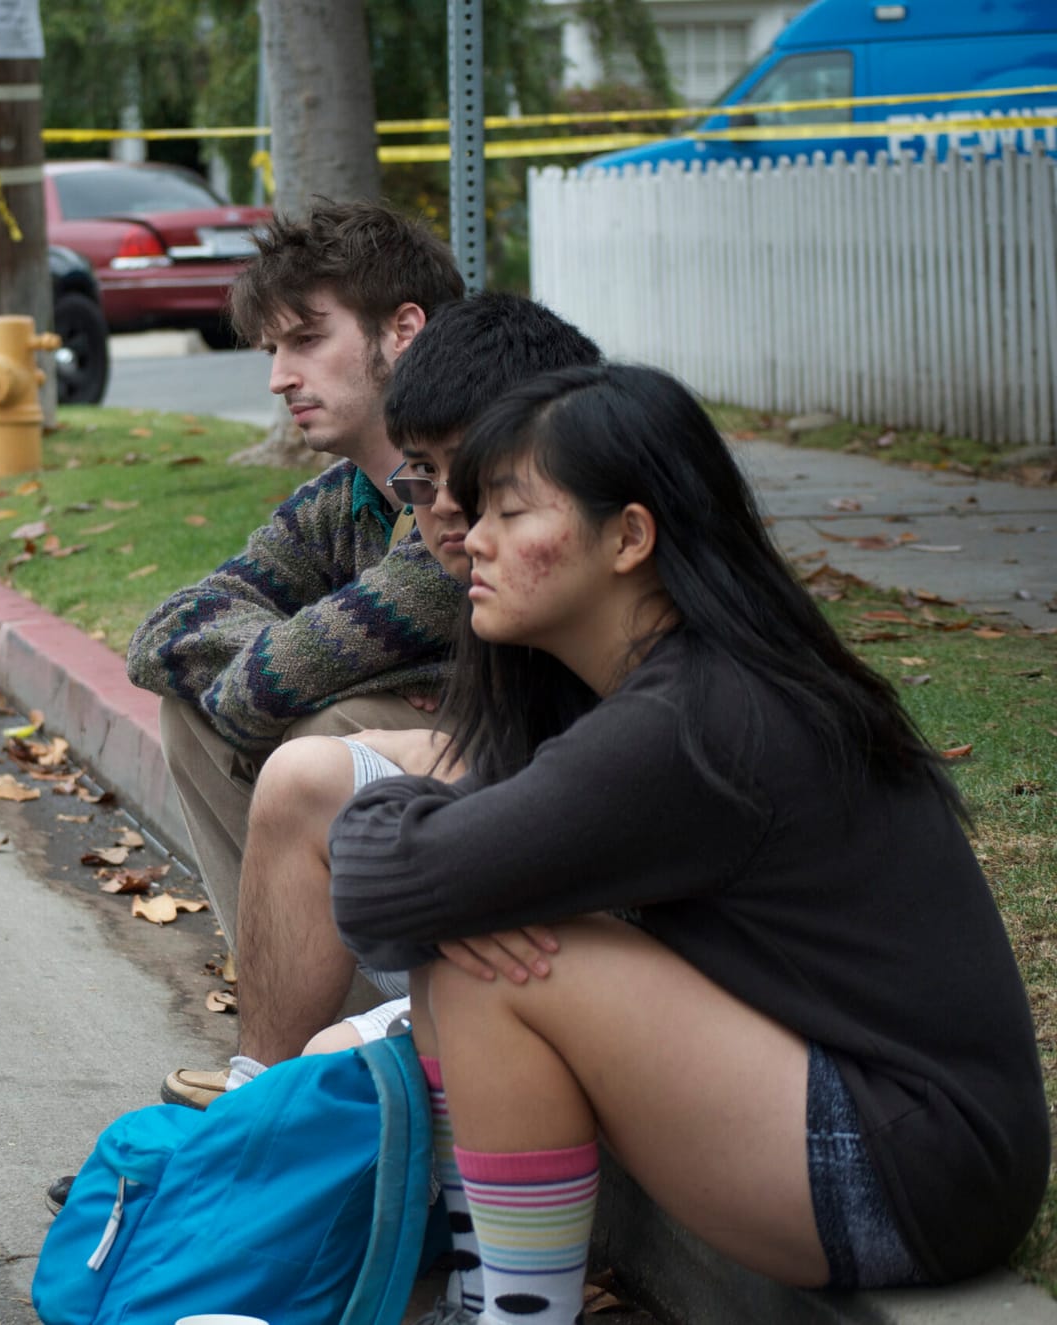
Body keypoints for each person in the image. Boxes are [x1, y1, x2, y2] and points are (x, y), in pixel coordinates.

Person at [328, 363, 1047, 1323]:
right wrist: (443, 862)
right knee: (474, 922)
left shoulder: (694, 722)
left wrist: (432, 858)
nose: (470, 542)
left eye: (507, 512)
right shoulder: (644, 683)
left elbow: (378, 893)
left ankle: (506, 1312)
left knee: (487, 963)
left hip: (903, 1170)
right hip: (880, 1129)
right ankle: (488, 1295)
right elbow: (412, 872)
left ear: (629, 535)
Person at [181, 293, 603, 1117]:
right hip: (539, 920)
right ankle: (249, 1117)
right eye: (422, 476)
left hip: (632, 973)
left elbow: (590, 812)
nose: (449, 511)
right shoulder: (387, 513)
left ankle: (284, 1123)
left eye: (485, 485)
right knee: (305, 760)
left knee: (346, 1044)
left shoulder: (665, 654)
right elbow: (179, 632)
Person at [125, 197, 465, 974]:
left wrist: (303, 675)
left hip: (553, 775)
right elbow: (166, 630)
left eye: (307, 340)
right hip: (450, 765)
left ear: (403, 331)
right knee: (191, 712)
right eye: (273, 349)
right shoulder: (343, 496)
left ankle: (403, 1031)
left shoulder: (476, 476)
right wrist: (307, 665)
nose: (281, 378)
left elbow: (421, 602)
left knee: (331, 727)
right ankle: (300, 1029)